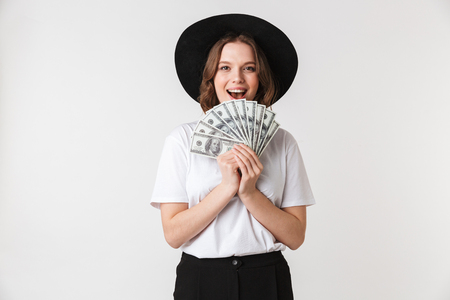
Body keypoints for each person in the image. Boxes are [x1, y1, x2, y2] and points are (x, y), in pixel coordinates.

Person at [151, 14, 315, 300]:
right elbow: (173, 234)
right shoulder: (181, 140)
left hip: (266, 279)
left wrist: (250, 193)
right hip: (201, 279)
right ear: (211, 76)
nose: (236, 78)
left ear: (260, 77)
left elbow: (296, 236)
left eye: (248, 68)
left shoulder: (283, 142)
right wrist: (227, 188)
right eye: (225, 67)